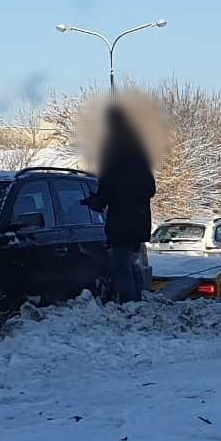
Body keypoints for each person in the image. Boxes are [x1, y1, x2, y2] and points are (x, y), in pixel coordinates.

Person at [83, 104, 156, 303]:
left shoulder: (113, 155)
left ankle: (128, 303)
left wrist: (92, 201)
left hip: (121, 223)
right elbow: (150, 188)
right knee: (131, 263)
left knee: (122, 264)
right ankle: (136, 301)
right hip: (139, 222)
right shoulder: (138, 153)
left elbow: (104, 195)